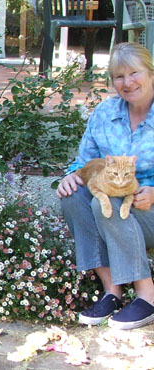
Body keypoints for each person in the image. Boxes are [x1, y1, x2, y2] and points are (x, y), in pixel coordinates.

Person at [57, 42, 154, 330]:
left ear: (151, 72)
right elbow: (83, 162)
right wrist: (71, 176)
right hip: (119, 211)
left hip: (150, 210)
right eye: (119, 77)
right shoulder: (105, 112)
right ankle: (112, 290)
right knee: (75, 195)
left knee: (106, 202)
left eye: (134, 73)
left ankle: (147, 294)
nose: (127, 83)